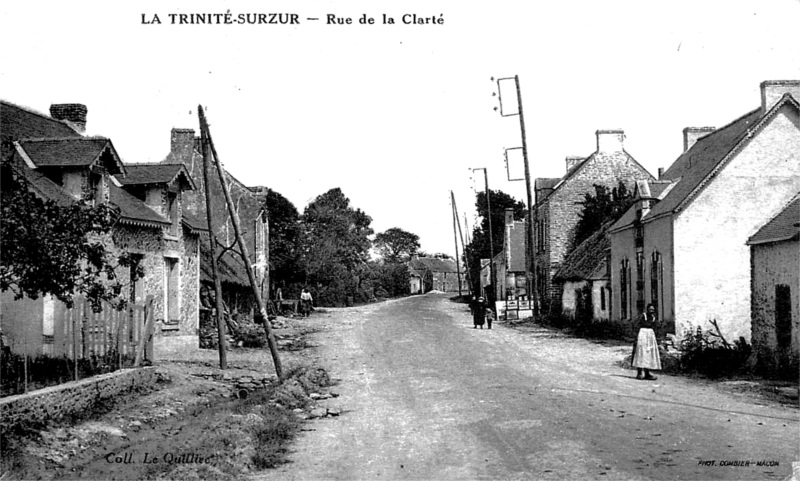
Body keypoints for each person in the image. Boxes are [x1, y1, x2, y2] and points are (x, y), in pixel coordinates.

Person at [632, 304, 661, 380]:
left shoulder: (653, 318)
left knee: (648, 353)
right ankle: (639, 373)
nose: (651, 311)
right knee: (641, 353)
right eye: (650, 309)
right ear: (647, 309)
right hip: (642, 335)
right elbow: (635, 324)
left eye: (652, 309)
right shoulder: (642, 316)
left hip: (650, 336)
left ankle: (647, 373)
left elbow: (657, 327)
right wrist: (636, 335)